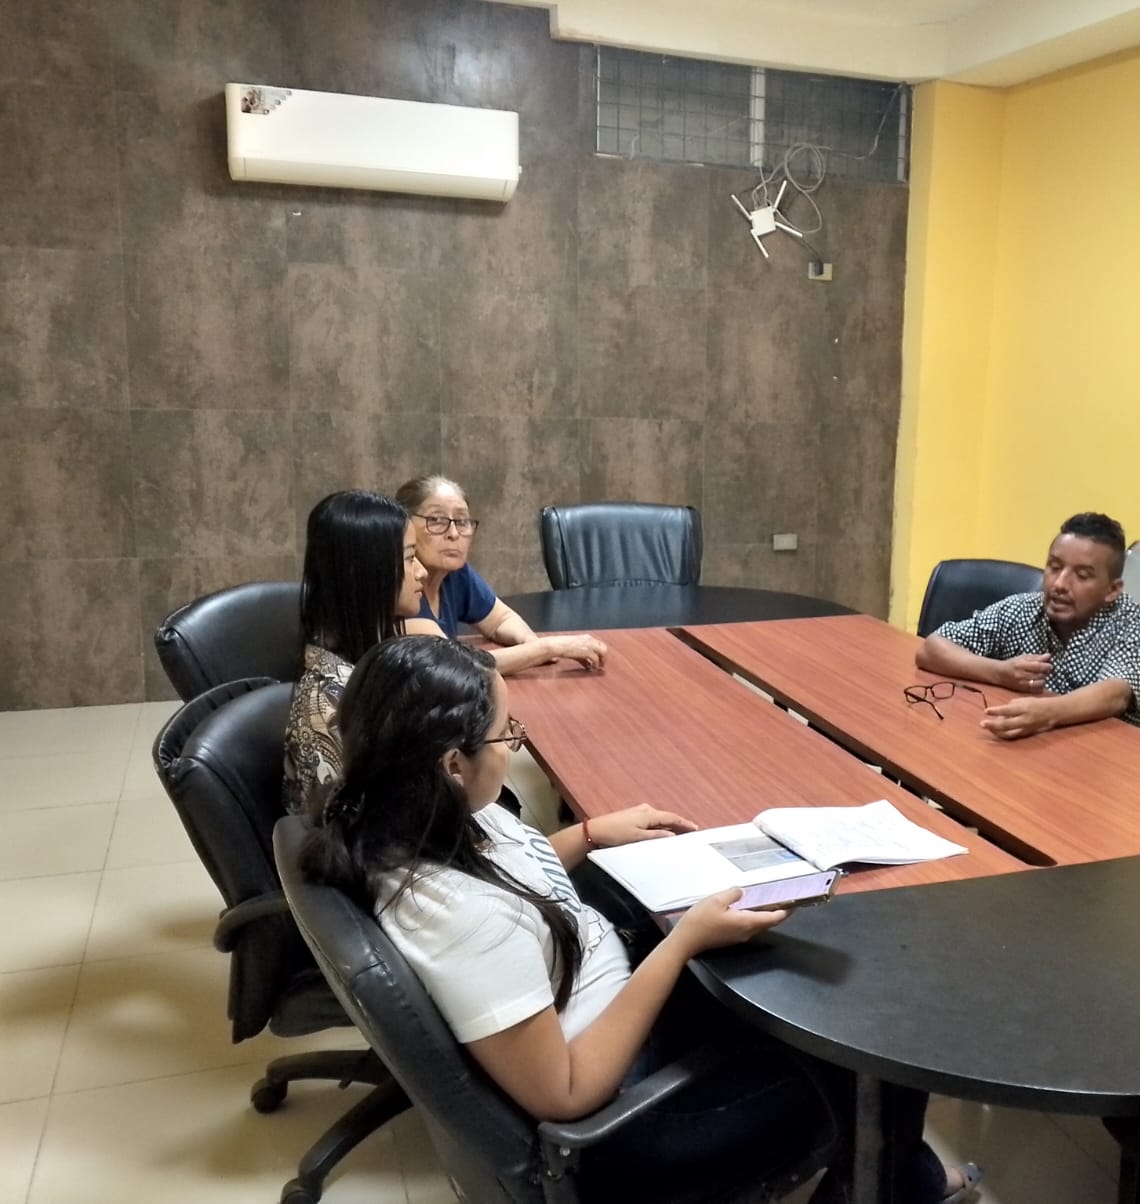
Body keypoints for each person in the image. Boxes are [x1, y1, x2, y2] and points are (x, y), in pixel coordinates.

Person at [299, 636, 981, 1203]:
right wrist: (680, 944)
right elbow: (566, 1093)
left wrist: (590, 833)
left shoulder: (412, 818)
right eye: (507, 733)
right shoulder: (463, 919)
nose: (515, 746)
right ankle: (893, 1184)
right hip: (637, 1117)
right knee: (879, 1048)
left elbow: (515, 871)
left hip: (603, 998)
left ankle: (898, 1175)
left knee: (799, 968)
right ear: (453, 763)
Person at [914, 512, 1140, 739]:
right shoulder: (1023, 609)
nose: (1059, 584)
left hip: (1120, 754)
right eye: (1054, 567)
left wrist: (1046, 713)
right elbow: (931, 648)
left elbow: (1114, 695)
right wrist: (1000, 672)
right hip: (1041, 743)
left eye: (1082, 575)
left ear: (1112, 590)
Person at [283, 490, 436, 813]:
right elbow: (351, 831)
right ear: (366, 572)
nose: (422, 571)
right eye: (410, 558)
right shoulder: (329, 711)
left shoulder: (376, 660)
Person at [396, 474, 608, 674]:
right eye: (436, 520)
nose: (453, 533)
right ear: (405, 526)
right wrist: (547, 648)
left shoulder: (456, 575)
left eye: (461, 522)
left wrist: (530, 645)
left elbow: (500, 620)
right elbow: (453, 666)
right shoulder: (400, 589)